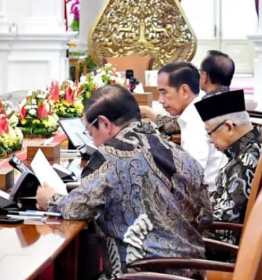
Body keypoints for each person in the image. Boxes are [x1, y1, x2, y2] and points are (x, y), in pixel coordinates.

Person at [36, 85, 212, 279]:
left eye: (89, 131)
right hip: (193, 272)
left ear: (104, 123)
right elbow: (206, 216)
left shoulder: (110, 156)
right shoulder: (178, 151)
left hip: (142, 274)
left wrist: (51, 199)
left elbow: (76, 208)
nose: (92, 141)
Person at [140, 62, 227, 191]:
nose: (160, 100)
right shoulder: (201, 109)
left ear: (185, 91)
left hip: (208, 201)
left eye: (164, 93)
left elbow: (191, 177)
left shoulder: (196, 122)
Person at [195, 90, 262, 245]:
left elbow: (221, 220)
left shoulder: (243, 164)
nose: (211, 141)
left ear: (229, 127)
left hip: (220, 249)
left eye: (210, 133)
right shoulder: (254, 143)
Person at [141, 50, 235, 135]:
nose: (161, 100)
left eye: (200, 71)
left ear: (205, 76)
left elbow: (172, 126)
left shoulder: (201, 111)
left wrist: (147, 112)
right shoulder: (230, 101)